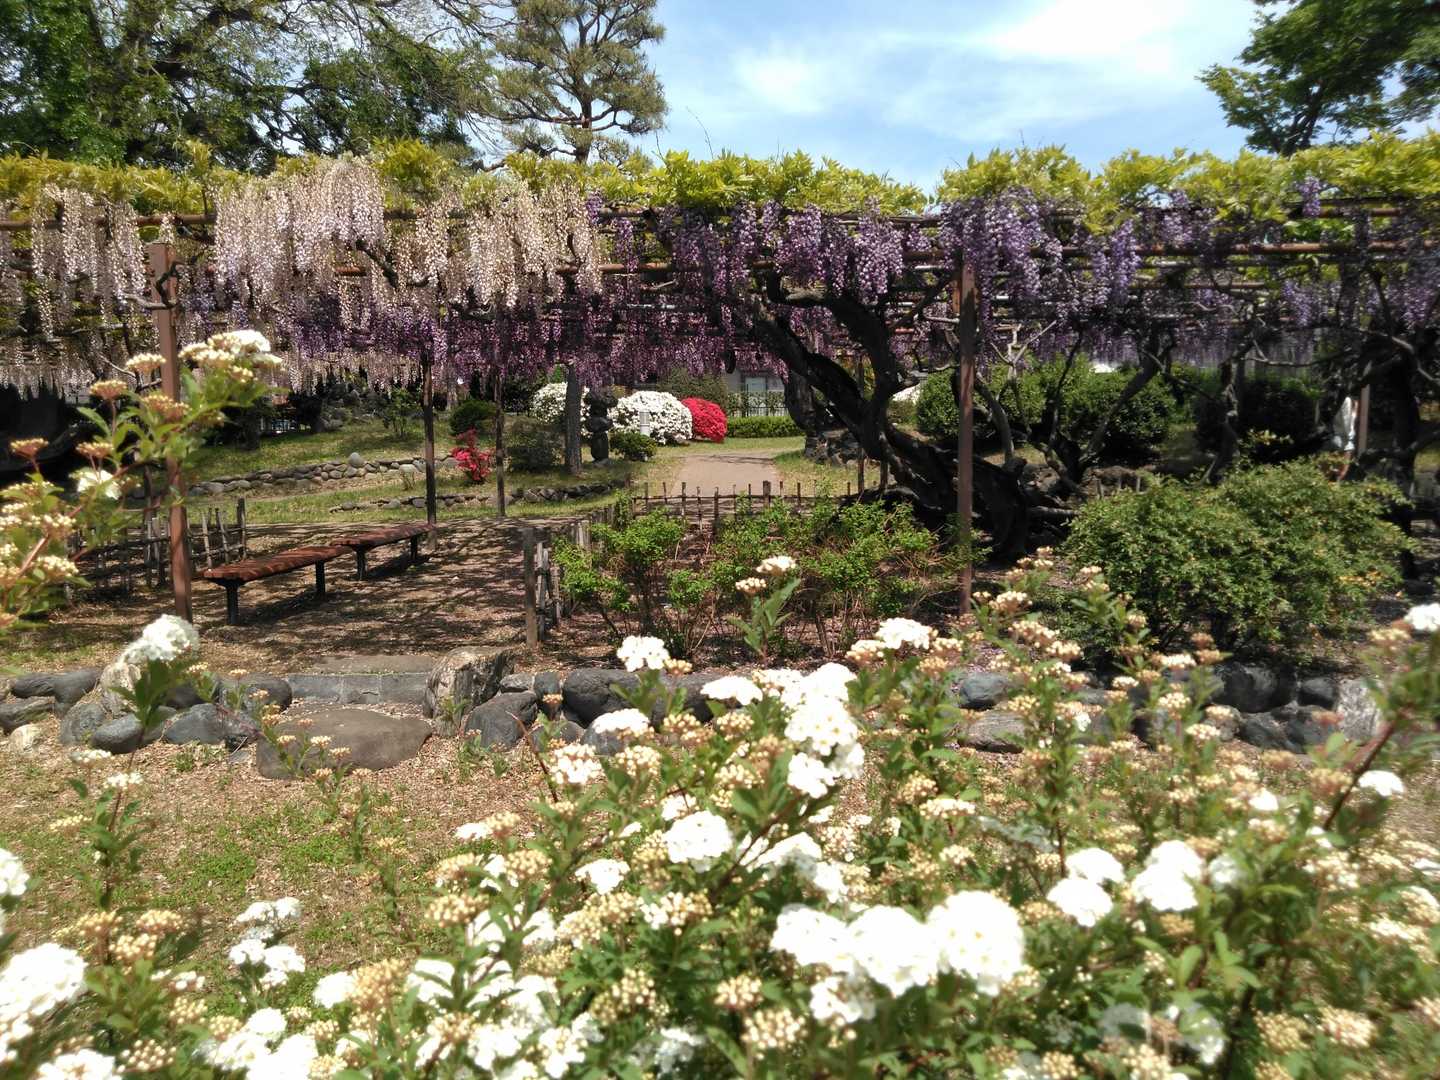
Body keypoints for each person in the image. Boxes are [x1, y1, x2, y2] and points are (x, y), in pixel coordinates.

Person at [1331, 394, 1359, 480]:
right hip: (1343, 441)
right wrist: (1350, 437)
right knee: (1341, 473)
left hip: (1331, 437)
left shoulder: (1331, 398)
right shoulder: (1346, 399)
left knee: (1329, 472)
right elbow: (1347, 422)